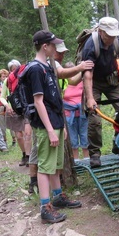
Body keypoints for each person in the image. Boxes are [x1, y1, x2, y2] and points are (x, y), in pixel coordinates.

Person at [25, 30, 82, 223]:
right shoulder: (35, 69)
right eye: (53, 45)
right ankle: (45, 206)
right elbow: (39, 101)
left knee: (56, 165)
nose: (56, 48)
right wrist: (50, 130)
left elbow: (54, 97)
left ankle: (57, 197)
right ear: (45, 46)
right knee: (45, 167)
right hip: (44, 125)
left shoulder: (48, 67)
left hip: (56, 121)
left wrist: (60, 126)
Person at [82, 17, 119, 167]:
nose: (111, 38)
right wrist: (90, 98)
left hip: (112, 80)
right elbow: (87, 75)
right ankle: (94, 153)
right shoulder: (90, 45)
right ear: (101, 32)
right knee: (94, 116)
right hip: (93, 81)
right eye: (108, 35)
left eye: (114, 35)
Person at [2, 60, 30, 167]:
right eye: (12, 69)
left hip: (26, 108)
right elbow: (2, 96)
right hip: (14, 109)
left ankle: (29, 156)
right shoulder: (8, 81)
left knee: (28, 134)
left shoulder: (25, 77)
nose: (14, 71)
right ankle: (24, 154)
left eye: (16, 68)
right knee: (19, 135)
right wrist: (7, 105)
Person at [62, 63, 89, 160]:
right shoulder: (63, 83)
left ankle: (87, 159)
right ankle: (76, 160)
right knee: (72, 138)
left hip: (82, 112)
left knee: (84, 135)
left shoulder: (82, 81)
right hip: (69, 114)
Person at [0, 68, 10, 149]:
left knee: (11, 123)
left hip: (9, 105)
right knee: (1, 125)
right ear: (0, 77)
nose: (4, 78)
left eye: (6, 76)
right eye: (3, 76)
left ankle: (14, 139)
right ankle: (4, 141)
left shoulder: (10, 85)